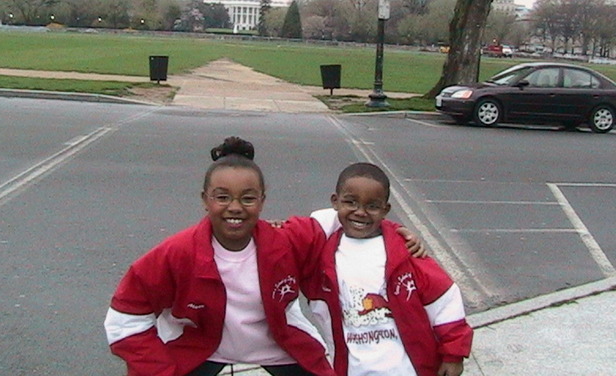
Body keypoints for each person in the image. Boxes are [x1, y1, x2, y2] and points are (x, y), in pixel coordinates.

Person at [104, 137, 425, 376]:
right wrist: (157, 369)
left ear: (262, 201)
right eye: (222, 197)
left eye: (247, 198)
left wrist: (395, 232)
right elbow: (125, 318)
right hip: (201, 351)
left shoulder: (285, 240)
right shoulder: (177, 253)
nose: (234, 208)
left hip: (280, 350)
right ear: (205, 199)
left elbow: (348, 216)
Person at [305, 162, 473, 376]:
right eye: (351, 202)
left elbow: (445, 300)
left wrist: (453, 354)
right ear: (335, 202)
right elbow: (288, 244)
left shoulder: (405, 252)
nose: (361, 212)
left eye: (372, 206)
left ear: (385, 210)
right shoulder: (322, 256)